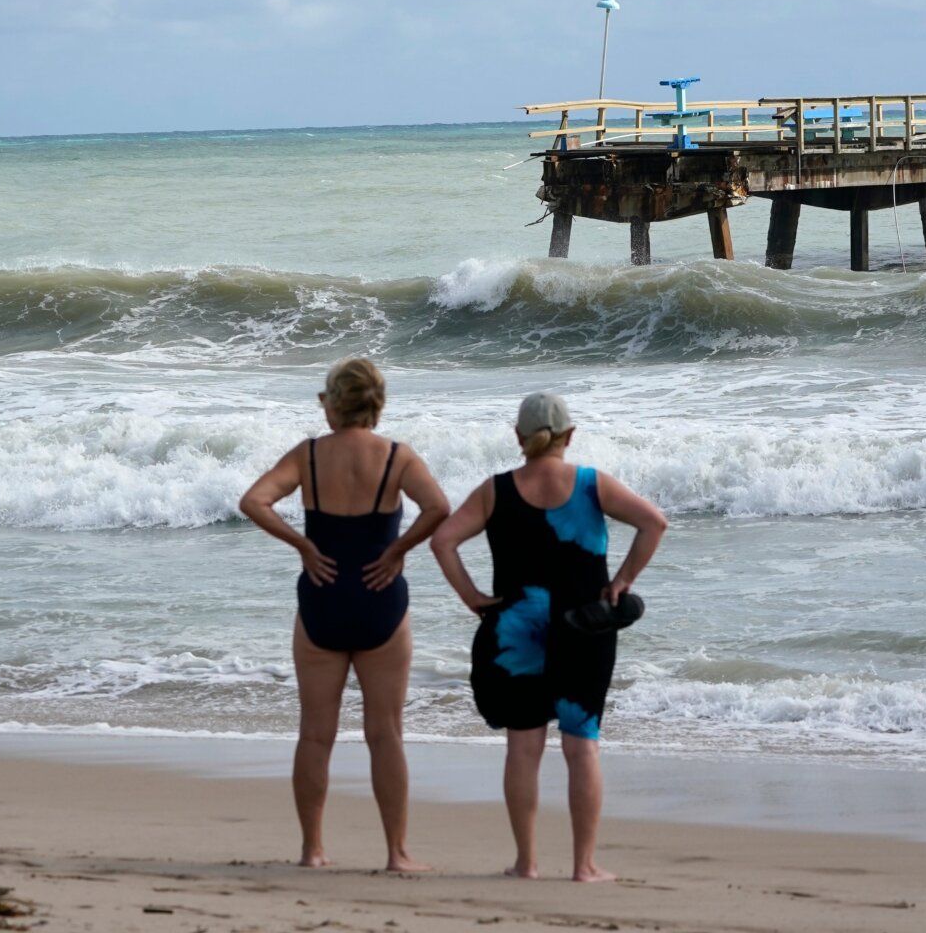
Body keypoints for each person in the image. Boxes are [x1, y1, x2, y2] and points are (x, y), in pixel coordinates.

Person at [430, 392, 667, 882]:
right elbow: (654, 522)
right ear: (570, 435)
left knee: (523, 747)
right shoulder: (589, 483)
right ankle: (584, 866)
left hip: (518, 629)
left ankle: (527, 863)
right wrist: (623, 580)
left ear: (519, 438)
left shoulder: (495, 490)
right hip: (585, 628)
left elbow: (443, 540)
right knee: (582, 746)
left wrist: (472, 596)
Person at [238, 358, 451, 872]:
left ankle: (313, 851)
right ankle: (397, 854)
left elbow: (255, 501)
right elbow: (438, 507)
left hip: (322, 598)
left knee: (315, 733)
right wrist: (398, 550)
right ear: (376, 405)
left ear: (331, 404)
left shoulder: (310, 456)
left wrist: (303, 546)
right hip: (381, 601)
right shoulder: (397, 457)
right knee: (386, 733)